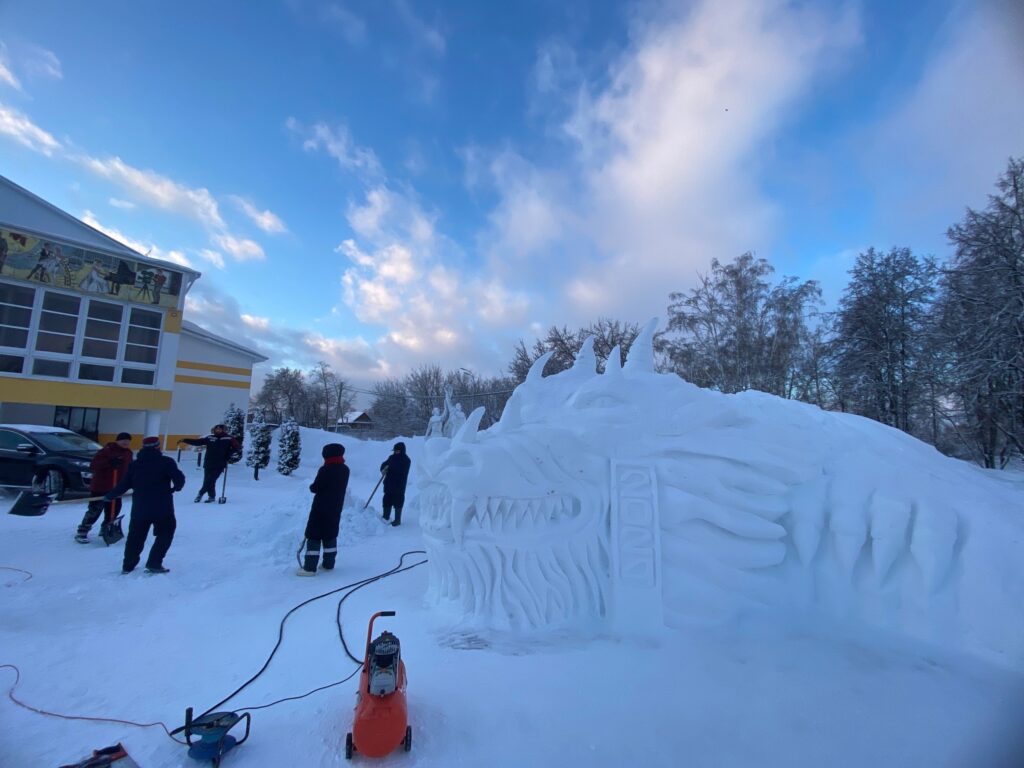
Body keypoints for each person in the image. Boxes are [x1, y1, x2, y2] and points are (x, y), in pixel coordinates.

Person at [104, 436, 185, 574]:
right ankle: (154, 562)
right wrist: (175, 488)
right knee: (166, 532)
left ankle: (128, 565)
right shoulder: (166, 462)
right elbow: (179, 479)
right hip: (162, 507)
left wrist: (110, 496)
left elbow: (124, 484)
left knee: (136, 536)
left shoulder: (135, 464)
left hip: (140, 507)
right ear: (157, 447)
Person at [298, 443, 349, 576]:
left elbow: (316, 487)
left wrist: (311, 487)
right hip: (336, 507)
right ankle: (328, 564)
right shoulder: (345, 469)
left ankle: (309, 568)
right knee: (330, 535)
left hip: (320, 508)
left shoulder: (325, 469)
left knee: (314, 535)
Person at [75, 432, 134, 544]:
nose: (126, 442)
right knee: (95, 510)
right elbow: (94, 465)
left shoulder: (128, 453)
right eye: (123, 440)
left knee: (114, 511)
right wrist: (109, 463)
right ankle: (82, 531)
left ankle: (106, 529)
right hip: (101, 486)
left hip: (117, 488)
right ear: (117, 440)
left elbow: (130, 469)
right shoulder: (107, 451)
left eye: (128, 440)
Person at [180, 424, 240, 502]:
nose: (218, 430)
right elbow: (198, 442)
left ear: (223, 430)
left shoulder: (229, 438)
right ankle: (211, 497)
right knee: (208, 480)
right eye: (216, 429)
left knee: (210, 480)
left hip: (220, 463)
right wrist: (185, 440)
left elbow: (237, 447)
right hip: (208, 462)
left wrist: (229, 454)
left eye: (220, 429)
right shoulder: (210, 437)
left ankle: (200, 494)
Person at [380, 442, 411, 526]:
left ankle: (397, 520)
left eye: (397, 451)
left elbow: (401, 470)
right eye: (395, 451)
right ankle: (385, 517)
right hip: (389, 484)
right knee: (386, 500)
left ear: (402, 451)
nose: (396, 452)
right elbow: (384, 464)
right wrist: (383, 468)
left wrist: (389, 468)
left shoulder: (406, 460)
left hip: (399, 485)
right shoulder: (391, 457)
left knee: (398, 501)